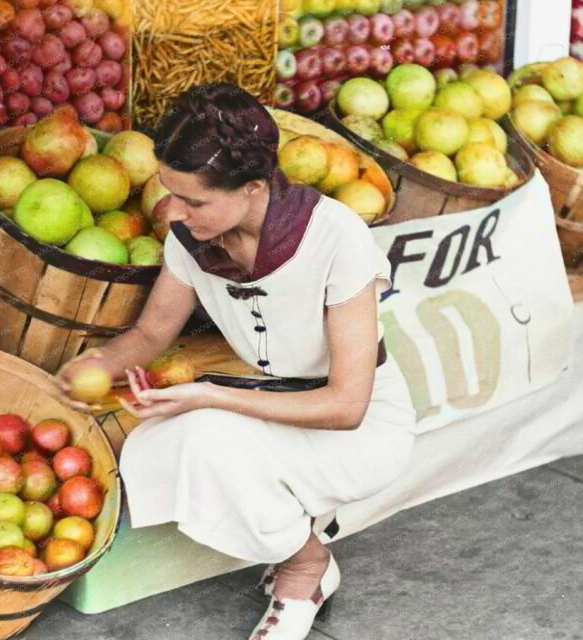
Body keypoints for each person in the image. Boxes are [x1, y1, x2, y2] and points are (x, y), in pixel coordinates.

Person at [55, 83, 415, 640]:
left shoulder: (336, 236)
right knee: (158, 445)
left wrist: (208, 396)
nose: (172, 212)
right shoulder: (190, 238)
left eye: (193, 200)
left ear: (252, 188)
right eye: (169, 192)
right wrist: (95, 363)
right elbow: (152, 331)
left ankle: (305, 566)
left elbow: (348, 405)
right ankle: (297, 538)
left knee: (209, 438)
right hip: (277, 402)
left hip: (364, 426)